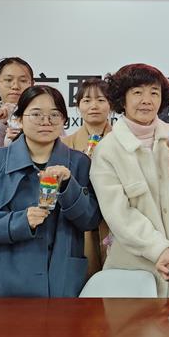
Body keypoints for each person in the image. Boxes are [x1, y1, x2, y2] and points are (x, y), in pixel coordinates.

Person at [0, 86, 101, 297]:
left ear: (64, 120)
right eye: (36, 114)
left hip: (59, 280)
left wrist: (68, 186)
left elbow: (91, 220)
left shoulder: (79, 163)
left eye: (54, 115)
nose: (46, 121)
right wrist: (19, 221)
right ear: (19, 119)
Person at [90, 64, 169, 297]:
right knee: (138, 318)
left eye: (154, 93)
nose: (147, 100)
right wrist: (156, 248)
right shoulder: (107, 150)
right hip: (135, 260)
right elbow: (119, 214)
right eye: (137, 92)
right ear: (122, 98)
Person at [61, 79, 114, 277]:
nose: (94, 106)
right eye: (86, 100)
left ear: (111, 105)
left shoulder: (123, 140)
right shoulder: (65, 145)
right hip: (80, 223)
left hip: (115, 219)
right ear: (78, 106)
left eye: (101, 100)